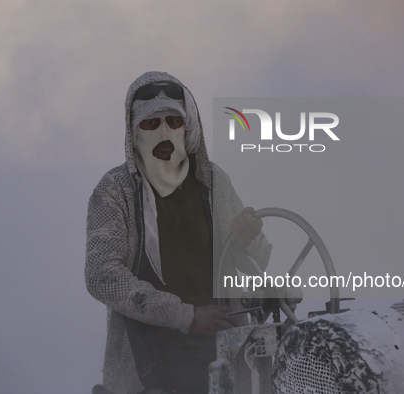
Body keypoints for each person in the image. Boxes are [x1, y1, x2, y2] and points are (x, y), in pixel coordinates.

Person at [86, 71, 271, 394]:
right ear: (133, 131)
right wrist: (185, 316)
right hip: (148, 371)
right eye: (150, 124)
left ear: (188, 126)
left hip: (223, 362)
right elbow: (102, 275)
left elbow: (259, 259)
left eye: (173, 121)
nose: (163, 133)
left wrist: (247, 238)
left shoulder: (213, 183)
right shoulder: (115, 191)